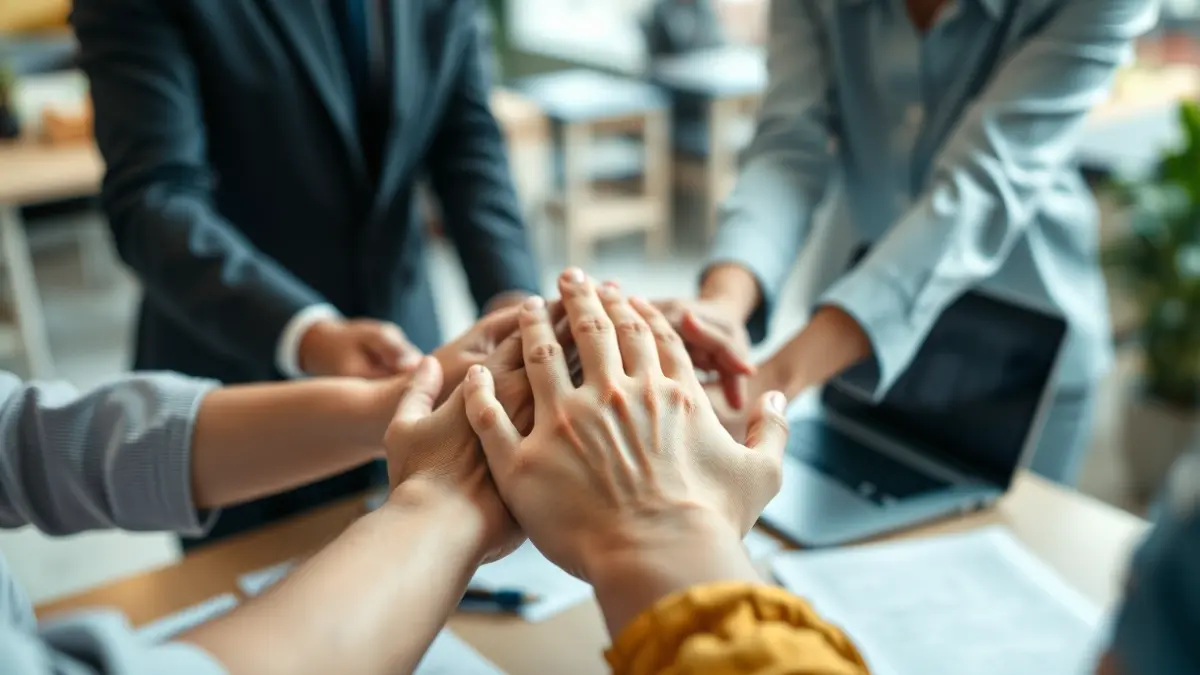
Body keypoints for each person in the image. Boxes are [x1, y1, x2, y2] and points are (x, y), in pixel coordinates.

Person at [71, 0, 541, 545]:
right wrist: (308, 333)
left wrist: (513, 302)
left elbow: (468, 143)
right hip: (238, 373)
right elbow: (153, 199)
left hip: (409, 349)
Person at [657, 0, 1157, 485]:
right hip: (847, 351)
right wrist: (723, 304)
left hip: (1022, 360)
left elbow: (983, 185)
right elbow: (788, 145)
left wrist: (778, 380)